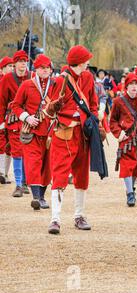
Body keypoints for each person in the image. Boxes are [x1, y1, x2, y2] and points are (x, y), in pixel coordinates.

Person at [44, 45, 99, 235]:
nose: (88, 63)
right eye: (86, 60)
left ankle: (79, 215)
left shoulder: (88, 77)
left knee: (81, 176)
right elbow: (48, 110)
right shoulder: (60, 80)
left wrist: (94, 121)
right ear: (80, 62)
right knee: (59, 175)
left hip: (83, 134)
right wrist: (54, 106)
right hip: (64, 133)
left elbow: (93, 102)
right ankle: (55, 219)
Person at [10, 54, 55, 210]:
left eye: (47, 68)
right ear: (36, 69)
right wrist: (27, 117)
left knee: (47, 165)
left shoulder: (55, 84)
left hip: (50, 133)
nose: (45, 71)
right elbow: (15, 106)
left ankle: (42, 196)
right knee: (32, 163)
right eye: (42, 68)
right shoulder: (27, 85)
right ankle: (36, 197)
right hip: (31, 132)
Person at [110, 73, 137, 206]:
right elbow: (113, 121)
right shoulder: (118, 102)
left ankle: (131, 189)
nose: (134, 87)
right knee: (127, 166)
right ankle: (129, 193)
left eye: (136, 84)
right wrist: (119, 133)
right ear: (126, 86)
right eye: (131, 84)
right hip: (126, 139)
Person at [0, 50, 32, 197]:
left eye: (25, 61)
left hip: (30, 121)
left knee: (28, 152)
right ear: (15, 64)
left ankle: (26, 182)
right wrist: (1, 121)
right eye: (20, 61)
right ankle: (19, 184)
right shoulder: (7, 79)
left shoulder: (32, 77)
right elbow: (1, 103)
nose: (23, 64)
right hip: (13, 121)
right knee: (17, 152)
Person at [0, 56, 14, 185]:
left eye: (12, 66)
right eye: (9, 66)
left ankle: (4, 173)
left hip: (10, 117)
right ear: (2, 69)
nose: (12, 68)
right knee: (1, 144)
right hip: (1, 116)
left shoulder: (14, 80)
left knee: (9, 146)